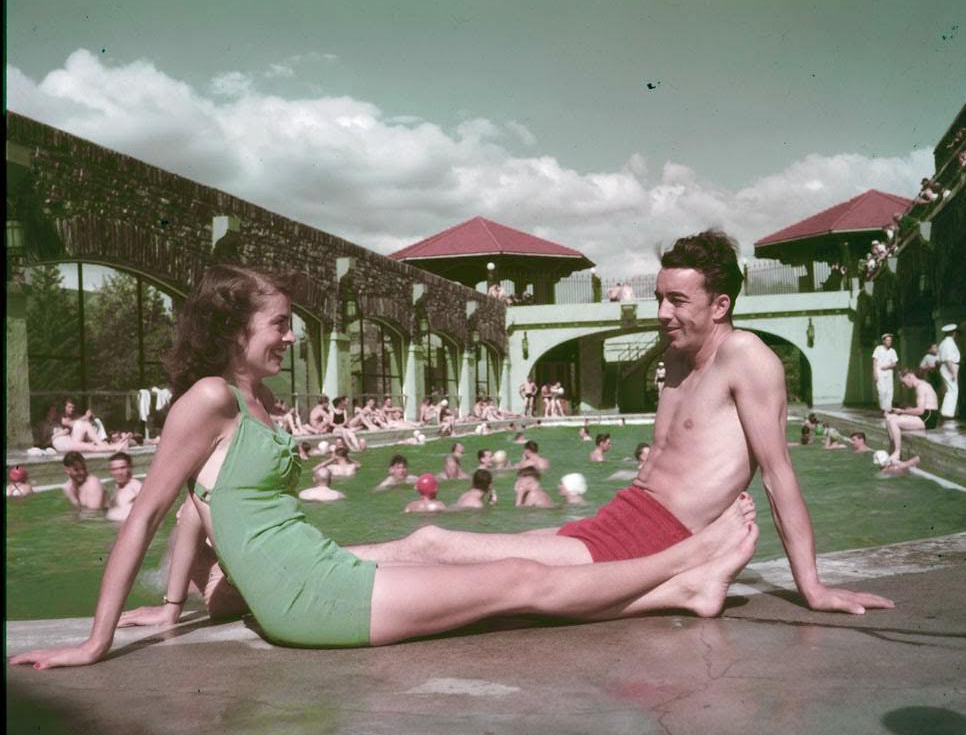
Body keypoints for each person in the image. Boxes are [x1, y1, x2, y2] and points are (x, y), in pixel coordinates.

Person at [12, 265, 762, 670]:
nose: (290, 336)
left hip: (315, 573)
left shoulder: (254, 400)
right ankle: (686, 568)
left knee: (471, 563)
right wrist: (96, 642)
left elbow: (196, 507)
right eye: (279, 324)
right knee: (519, 582)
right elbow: (149, 512)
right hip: (310, 599)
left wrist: (175, 604)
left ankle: (678, 585)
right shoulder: (209, 398)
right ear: (233, 328)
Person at [342, 229, 893, 617]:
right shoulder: (677, 357)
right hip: (622, 519)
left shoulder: (746, 357)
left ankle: (306, 573)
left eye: (678, 300)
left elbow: (778, 475)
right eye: (659, 298)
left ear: (721, 305)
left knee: (438, 545)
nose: (662, 312)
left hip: (658, 539)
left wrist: (812, 588)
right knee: (475, 548)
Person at [884, 368, 940, 462]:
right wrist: (906, 409)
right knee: (889, 418)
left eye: (903, 382)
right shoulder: (921, 385)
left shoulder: (921, 387)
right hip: (925, 415)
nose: (903, 386)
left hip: (928, 418)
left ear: (909, 377)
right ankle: (892, 451)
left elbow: (920, 411)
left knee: (894, 422)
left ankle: (897, 453)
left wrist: (902, 411)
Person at [106, 452, 142, 522]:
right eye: (114, 469)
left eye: (123, 468)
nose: (119, 472)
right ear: (110, 471)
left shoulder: (136, 488)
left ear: (130, 468)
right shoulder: (118, 486)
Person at [937, 323, 961, 423]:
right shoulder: (948, 343)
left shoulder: (944, 342)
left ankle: (950, 412)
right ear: (954, 333)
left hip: (947, 367)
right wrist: (953, 373)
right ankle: (947, 413)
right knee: (952, 390)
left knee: (951, 390)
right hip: (949, 367)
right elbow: (948, 359)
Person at [871, 333, 898, 414]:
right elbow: (874, 361)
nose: (889, 342)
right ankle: (883, 408)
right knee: (882, 391)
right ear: (883, 341)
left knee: (889, 391)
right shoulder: (878, 349)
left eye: (890, 340)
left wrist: (887, 367)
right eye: (887, 340)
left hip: (889, 372)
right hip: (880, 372)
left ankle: (888, 409)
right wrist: (875, 372)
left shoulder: (892, 351)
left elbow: (894, 363)